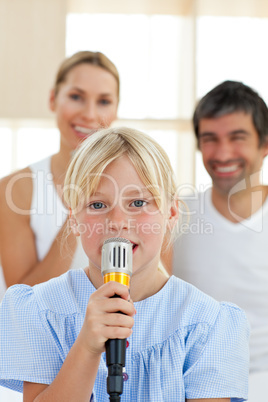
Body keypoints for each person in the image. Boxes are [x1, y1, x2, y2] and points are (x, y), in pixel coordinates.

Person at [0, 127, 249, 401]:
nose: (117, 221)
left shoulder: (208, 324)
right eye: (97, 205)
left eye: (138, 202)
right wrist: (86, 347)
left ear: (171, 213)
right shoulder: (40, 309)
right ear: (73, 219)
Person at [164, 80, 268, 400]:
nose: (222, 153)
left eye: (237, 138)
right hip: (196, 382)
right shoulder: (175, 217)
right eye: (210, 139)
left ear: (264, 144)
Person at [0, 51, 119, 301]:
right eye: (76, 97)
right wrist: (81, 208)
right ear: (53, 99)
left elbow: (158, 285)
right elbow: (21, 304)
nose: (89, 114)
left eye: (104, 101)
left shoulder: (132, 186)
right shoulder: (16, 189)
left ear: (116, 109)